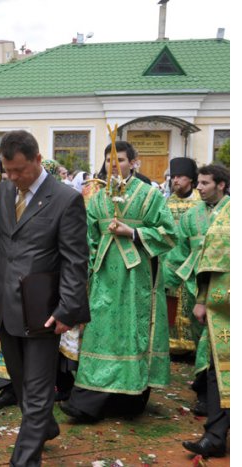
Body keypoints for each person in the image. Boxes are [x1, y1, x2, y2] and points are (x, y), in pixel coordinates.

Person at [0, 130, 89, 465]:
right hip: (5, 304)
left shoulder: (64, 199)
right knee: (21, 382)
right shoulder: (2, 192)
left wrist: (68, 308)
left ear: (38, 160)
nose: (13, 178)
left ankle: (24, 460)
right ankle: (45, 426)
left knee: (39, 386)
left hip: (43, 307)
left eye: (20, 171)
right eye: (7, 170)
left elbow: (75, 259)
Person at [61, 141, 175, 422]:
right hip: (102, 281)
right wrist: (82, 275)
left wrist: (133, 232)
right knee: (100, 334)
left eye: (121, 159)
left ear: (134, 162)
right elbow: (87, 239)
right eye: (110, 160)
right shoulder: (98, 198)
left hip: (136, 282)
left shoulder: (149, 196)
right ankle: (86, 402)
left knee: (130, 336)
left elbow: (169, 233)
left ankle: (129, 400)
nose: (115, 165)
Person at [165, 164, 229, 417]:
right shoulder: (192, 216)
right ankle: (207, 391)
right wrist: (165, 282)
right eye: (199, 183)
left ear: (221, 185)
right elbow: (179, 251)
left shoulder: (231, 212)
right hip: (193, 285)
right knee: (199, 335)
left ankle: (206, 394)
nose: (199, 188)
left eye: (205, 183)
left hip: (223, 287)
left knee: (209, 342)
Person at [182, 190, 230, 459]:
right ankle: (215, 436)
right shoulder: (226, 214)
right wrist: (201, 299)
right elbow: (211, 260)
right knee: (220, 369)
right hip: (227, 308)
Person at [163, 157, 203, 353]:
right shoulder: (166, 203)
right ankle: (172, 345)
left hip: (191, 262)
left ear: (191, 180)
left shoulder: (199, 203)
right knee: (169, 303)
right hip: (169, 261)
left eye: (180, 177)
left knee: (191, 301)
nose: (175, 180)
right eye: (173, 177)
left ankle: (192, 344)